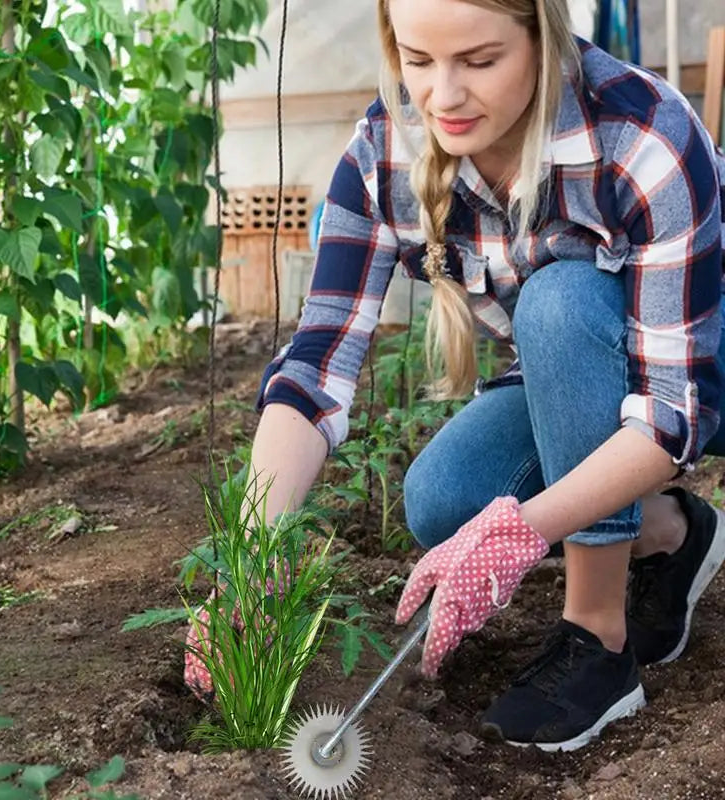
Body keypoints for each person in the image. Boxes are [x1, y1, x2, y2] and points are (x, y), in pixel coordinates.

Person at [185, 0, 725, 752]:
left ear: (543, 38)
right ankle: (670, 534)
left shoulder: (640, 135)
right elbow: (316, 369)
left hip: (701, 363)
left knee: (560, 300)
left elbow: (676, 411)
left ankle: (599, 641)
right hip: (594, 373)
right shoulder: (386, 152)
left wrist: (522, 530)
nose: (441, 95)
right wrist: (253, 556)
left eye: (478, 61)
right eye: (417, 60)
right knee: (446, 501)